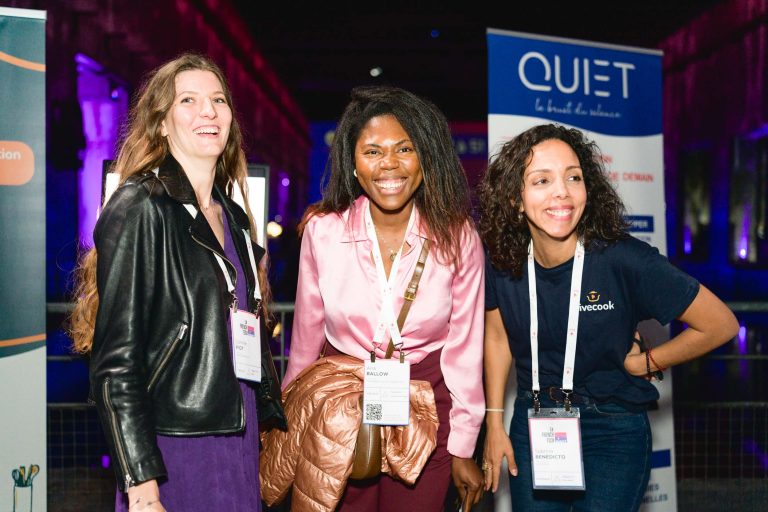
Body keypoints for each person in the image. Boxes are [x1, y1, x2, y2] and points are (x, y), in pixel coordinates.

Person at [477, 124, 739, 511]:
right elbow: (497, 338)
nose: (562, 191)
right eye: (541, 180)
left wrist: (647, 362)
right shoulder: (504, 260)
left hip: (612, 428)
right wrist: (494, 422)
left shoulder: (624, 259)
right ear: (516, 199)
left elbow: (720, 324)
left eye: (573, 177)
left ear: (588, 189)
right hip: (534, 425)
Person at [69, 53, 285, 512]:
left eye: (218, 100)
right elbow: (115, 365)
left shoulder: (235, 219)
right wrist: (142, 487)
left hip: (238, 436)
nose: (208, 111)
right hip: (174, 446)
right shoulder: (139, 208)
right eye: (188, 100)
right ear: (162, 124)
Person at [277, 85, 485, 511]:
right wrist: (289, 418)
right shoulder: (323, 231)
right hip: (341, 409)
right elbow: (305, 339)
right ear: (353, 164)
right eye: (372, 151)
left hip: (430, 409)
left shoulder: (457, 235)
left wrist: (464, 442)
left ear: (424, 159)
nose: (389, 163)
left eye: (404, 148)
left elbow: (465, 351)